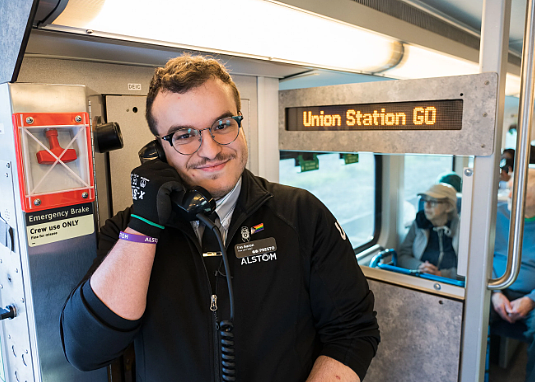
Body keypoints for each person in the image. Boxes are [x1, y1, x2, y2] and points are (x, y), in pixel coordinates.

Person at [60, 54, 380, 382]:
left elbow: (353, 333)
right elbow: (86, 352)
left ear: (240, 125)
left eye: (222, 125)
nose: (210, 150)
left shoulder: (301, 214)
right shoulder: (126, 234)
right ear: (158, 150)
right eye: (184, 135)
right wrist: (145, 227)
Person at [491, 167, 535, 381]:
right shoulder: (495, 215)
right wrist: (494, 291)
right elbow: (480, 257)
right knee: (462, 314)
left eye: (515, 190)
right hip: (494, 287)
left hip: (531, 295)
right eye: (508, 189)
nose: (508, 195)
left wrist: (531, 299)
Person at [398, 183, 459, 279]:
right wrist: (419, 266)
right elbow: (402, 256)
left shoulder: (462, 229)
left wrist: (442, 274)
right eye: (425, 200)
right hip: (420, 279)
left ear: (448, 207)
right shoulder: (419, 223)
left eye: (433, 201)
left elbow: (470, 268)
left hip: (451, 284)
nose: (427, 205)